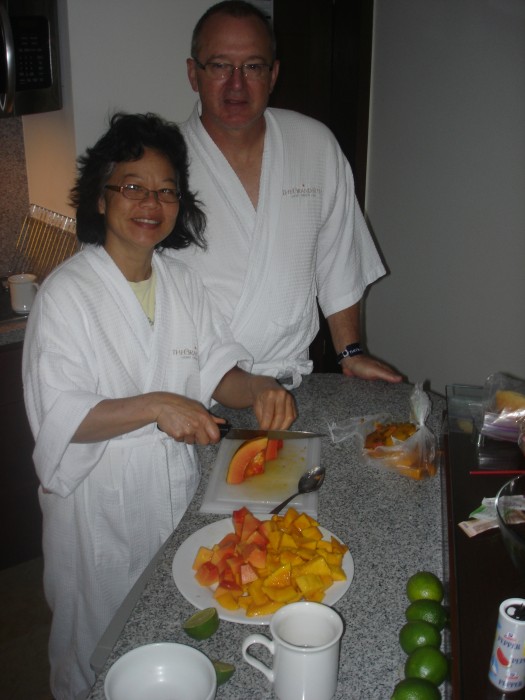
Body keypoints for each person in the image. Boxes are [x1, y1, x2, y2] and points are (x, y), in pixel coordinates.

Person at [22, 112, 296, 700]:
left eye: (166, 189)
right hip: (100, 509)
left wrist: (263, 388)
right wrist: (155, 406)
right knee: (96, 648)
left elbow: (220, 373)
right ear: (101, 197)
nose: (151, 202)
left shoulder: (180, 283)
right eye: (133, 186)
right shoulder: (65, 296)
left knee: (173, 635)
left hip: (171, 494)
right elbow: (58, 418)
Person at [175, 0, 402, 389]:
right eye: (219, 65)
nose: (236, 83)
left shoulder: (314, 145)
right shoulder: (162, 163)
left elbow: (338, 256)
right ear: (193, 73)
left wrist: (350, 353)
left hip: (286, 383)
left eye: (253, 66)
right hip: (193, 388)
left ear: (273, 74)